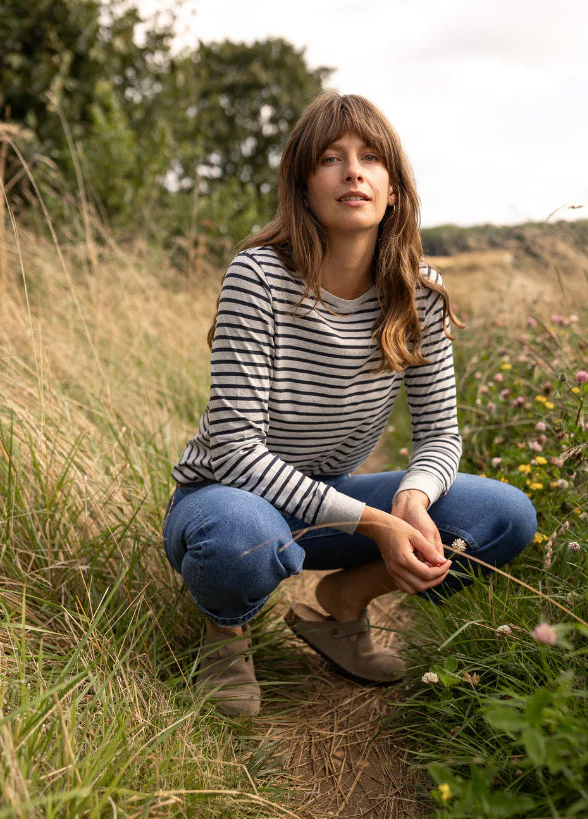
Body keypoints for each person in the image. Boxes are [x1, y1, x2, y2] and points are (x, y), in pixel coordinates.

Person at [162, 91, 537, 717]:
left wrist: (410, 502)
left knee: (504, 515)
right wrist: (378, 525)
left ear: (393, 189)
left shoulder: (421, 293)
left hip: (325, 500)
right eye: (331, 158)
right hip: (225, 498)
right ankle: (225, 633)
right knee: (239, 536)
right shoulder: (258, 278)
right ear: (304, 188)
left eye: (370, 158)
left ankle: (341, 605)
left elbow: (441, 436)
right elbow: (232, 451)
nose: (353, 171)